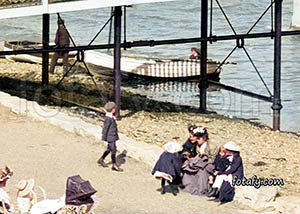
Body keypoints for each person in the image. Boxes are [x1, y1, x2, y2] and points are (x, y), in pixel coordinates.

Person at [181, 127, 214, 196]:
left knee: (202, 171)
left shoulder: (211, 146)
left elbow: (213, 159)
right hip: (199, 162)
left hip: (208, 164)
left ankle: (201, 189)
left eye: (199, 139)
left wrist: (204, 158)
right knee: (188, 165)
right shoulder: (197, 145)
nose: (197, 140)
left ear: (204, 139)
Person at [97, 101, 123, 172]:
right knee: (113, 150)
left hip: (112, 136)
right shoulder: (109, 119)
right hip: (110, 137)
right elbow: (105, 128)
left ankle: (101, 159)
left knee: (109, 149)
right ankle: (114, 165)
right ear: (113, 110)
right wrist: (103, 137)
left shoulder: (110, 117)